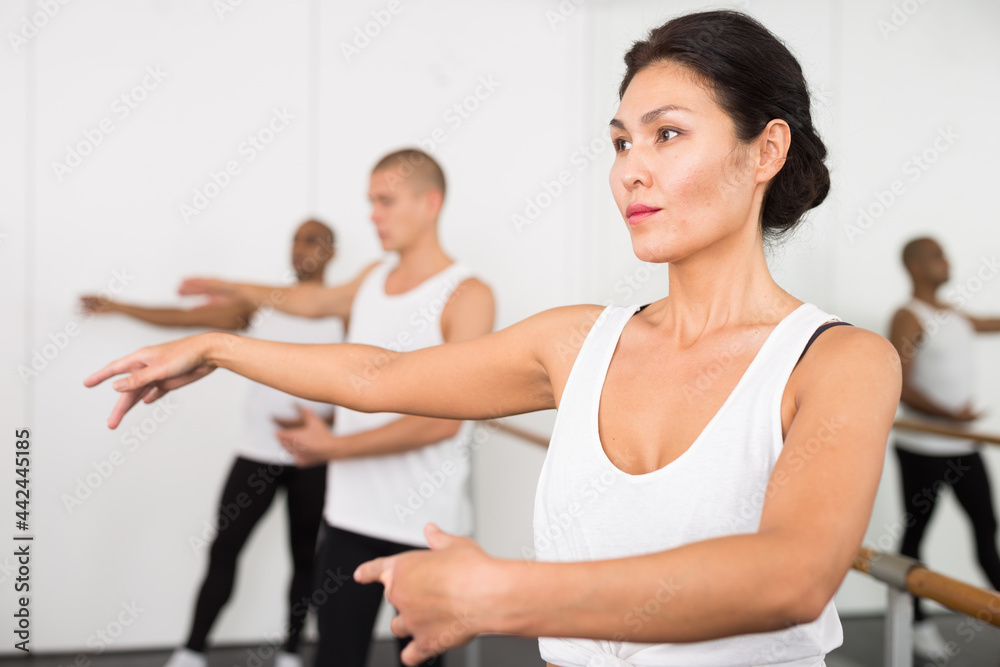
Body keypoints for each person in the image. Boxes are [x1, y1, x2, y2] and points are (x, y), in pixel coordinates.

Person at [85, 10, 900, 667]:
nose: (629, 170)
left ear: (766, 149)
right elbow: (377, 373)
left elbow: (791, 576)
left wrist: (496, 595)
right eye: (619, 141)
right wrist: (217, 348)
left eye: (667, 133)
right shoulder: (576, 341)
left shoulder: (841, 362)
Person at [176, 148, 495, 667]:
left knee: (417, 661)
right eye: (371, 201)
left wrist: (333, 447)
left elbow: (443, 421)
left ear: (429, 203)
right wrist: (235, 287)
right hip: (349, 519)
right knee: (335, 656)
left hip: (425, 531)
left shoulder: (468, 294)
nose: (373, 214)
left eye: (386, 201)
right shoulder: (371, 278)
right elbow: (313, 302)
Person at [80, 219, 343, 667]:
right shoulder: (261, 306)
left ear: (332, 252)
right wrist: (118, 305)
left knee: (305, 556)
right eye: (295, 239)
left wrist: (322, 421)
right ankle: (192, 650)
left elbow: (368, 380)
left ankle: (292, 652)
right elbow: (188, 322)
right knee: (225, 548)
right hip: (257, 453)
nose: (300, 249)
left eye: (312, 240)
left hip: (313, 459)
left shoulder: (346, 312)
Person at [888, 236, 1000, 660]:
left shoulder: (951, 314)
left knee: (987, 531)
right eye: (937, 255)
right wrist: (950, 416)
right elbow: (899, 380)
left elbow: (989, 323)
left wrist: (959, 425)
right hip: (922, 448)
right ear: (915, 266)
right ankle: (915, 624)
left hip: (963, 447)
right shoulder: (909, 316)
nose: (946, 260)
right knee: (916, 534)